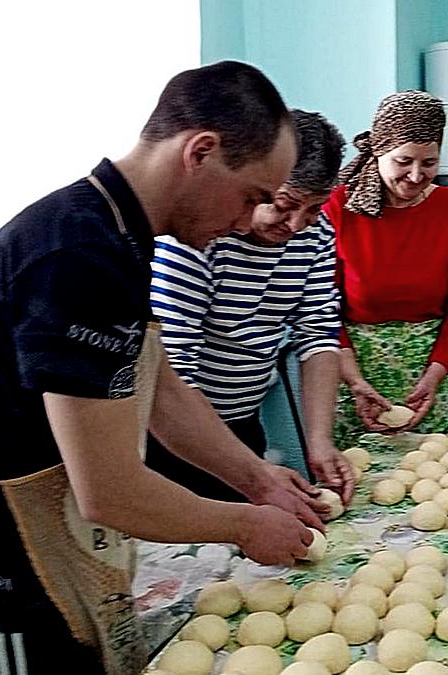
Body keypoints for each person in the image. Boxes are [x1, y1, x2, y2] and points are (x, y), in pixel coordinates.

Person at [0, 62, 325, 674]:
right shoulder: (79, 253)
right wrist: (243, 524)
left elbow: (161, 390)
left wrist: (258, 479)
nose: (244, 222)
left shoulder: (115, 233)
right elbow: (110, 492)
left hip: (49, 557)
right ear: (200, 152)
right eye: (252, 196)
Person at [148, 110, 355, 506]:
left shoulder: (317, 234)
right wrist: (251, 473)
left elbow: (318, 334)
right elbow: (174, 369)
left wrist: (319, 441)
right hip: (175, 435)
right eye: (284, 204)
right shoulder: (198, 236)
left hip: (243, 420)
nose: (296, 224)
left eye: (314, 208)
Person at [325, 90, 448, 445]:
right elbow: (324, 307)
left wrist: (435, 375)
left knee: (441, 470)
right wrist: (354, 381)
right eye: (403, 161)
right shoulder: (340, 206)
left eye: (429, 163)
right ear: (379, 150)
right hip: (355, 378)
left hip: (432, 380)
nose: (416, 175)